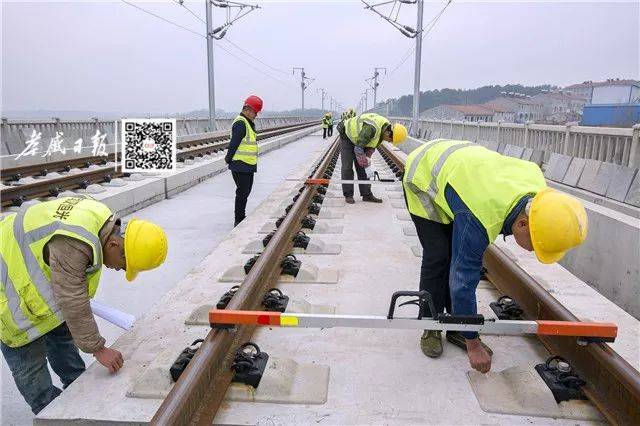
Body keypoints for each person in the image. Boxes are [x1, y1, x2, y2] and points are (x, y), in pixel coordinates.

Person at [402, 139, 588, 373]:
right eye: (534, 245)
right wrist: (473, 344)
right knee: (439, 255)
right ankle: (430, 323)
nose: (532, 251)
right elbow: (462, 282)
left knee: (455, 253)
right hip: (423, 175)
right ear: (521, 223)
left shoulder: (539, 194)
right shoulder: (480, 216)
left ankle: (456, 322)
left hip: (463, 171)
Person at [0, 195, 168, 414]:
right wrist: (98, 348)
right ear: (115, 244)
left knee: (62, 340)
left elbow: (71, 292)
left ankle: (77, 397)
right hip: (8, 292)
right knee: (31, 369)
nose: (119, 270)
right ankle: (52, 414)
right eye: (123, 264)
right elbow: (72, 297)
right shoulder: (75, 243)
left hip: (41, 290)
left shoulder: (100, 220)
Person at [336, 112, 407, 204]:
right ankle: (348, 195)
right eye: (390, 139)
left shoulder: (383, 130)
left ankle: (367, 195)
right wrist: (362, 158)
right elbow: (358, 148)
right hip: (347, 136)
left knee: (363, 168)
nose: (389, 142)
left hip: (360, 139)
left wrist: (367, 158)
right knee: (347, 167)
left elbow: (372, 145)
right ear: (389, 132)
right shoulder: (372, 128)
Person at [225, 95, 263, 226]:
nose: (256, 115)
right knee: (242, 192)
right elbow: (234, 143)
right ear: (248, 110)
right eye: (255, 112)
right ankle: (239, 219)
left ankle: (241, 217)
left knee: (245, 192)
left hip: (248, 164)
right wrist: (228, 159)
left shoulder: (247, 122)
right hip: (240, 164)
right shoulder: (241, 123)